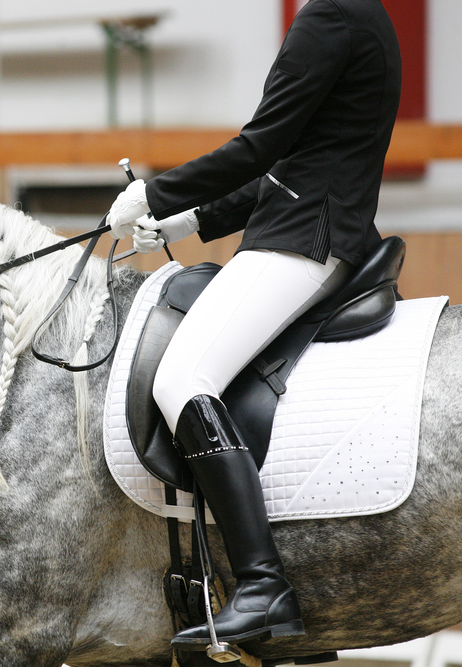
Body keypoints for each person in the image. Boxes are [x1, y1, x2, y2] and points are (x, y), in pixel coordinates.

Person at [106, 0, 402, 651]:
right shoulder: (361, 14)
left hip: (304, 239)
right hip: (316, 224)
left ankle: (262, 582)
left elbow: (260, 143)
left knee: (184, 377)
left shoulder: (330, 15)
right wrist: (192, 222)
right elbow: (292, 160)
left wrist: (158, 193)